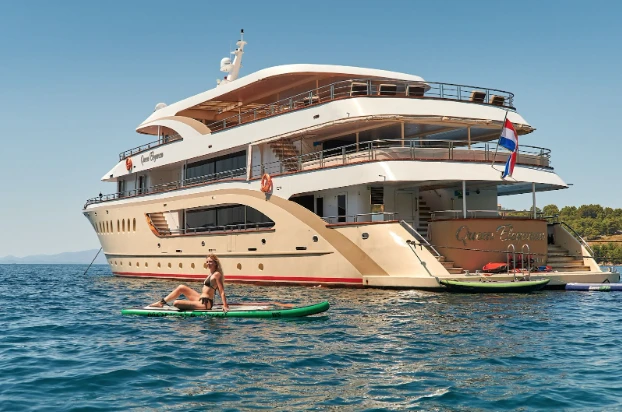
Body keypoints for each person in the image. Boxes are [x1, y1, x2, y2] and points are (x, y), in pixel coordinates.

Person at [150, 254, 229, 312]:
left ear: (215, 263)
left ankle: (192, 305)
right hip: (200, 299)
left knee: (176, 303)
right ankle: (161, 302)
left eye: (210, 262)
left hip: (206, 304)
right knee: (181, 287)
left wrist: (225, 305)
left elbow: (221, 291)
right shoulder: (211, 274)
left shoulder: (217, 274)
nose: (208, 263)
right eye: (207, 262)